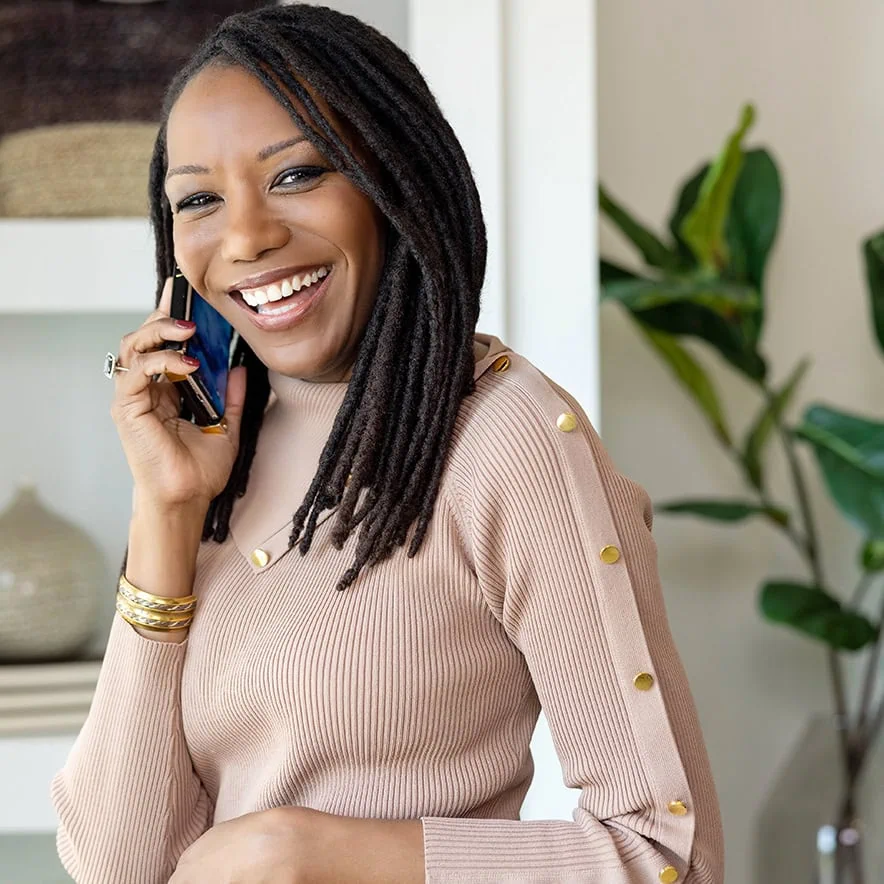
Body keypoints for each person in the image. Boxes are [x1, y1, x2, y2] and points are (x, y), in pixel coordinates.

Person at [50, 4, 725, 883]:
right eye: (201, 199)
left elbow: (672, 856)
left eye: (296, 174)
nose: (247, 236)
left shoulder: (508, 439)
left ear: (393, 181)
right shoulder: (219, 444)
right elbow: (115, 864)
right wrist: (167, 511)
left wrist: (308, 851)